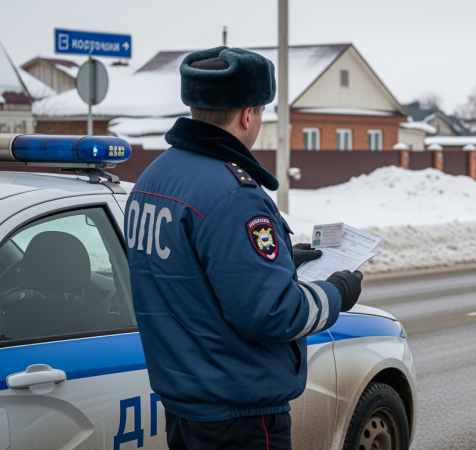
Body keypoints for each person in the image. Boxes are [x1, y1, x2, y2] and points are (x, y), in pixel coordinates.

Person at [124, 46, 364, 450]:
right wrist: (336, 293)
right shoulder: (234, 194)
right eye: (263, 110)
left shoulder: (151, 179)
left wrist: (281, 260)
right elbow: (272, 314)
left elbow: (190, 275)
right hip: (238, 416)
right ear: (247, 115)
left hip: (184, 407)